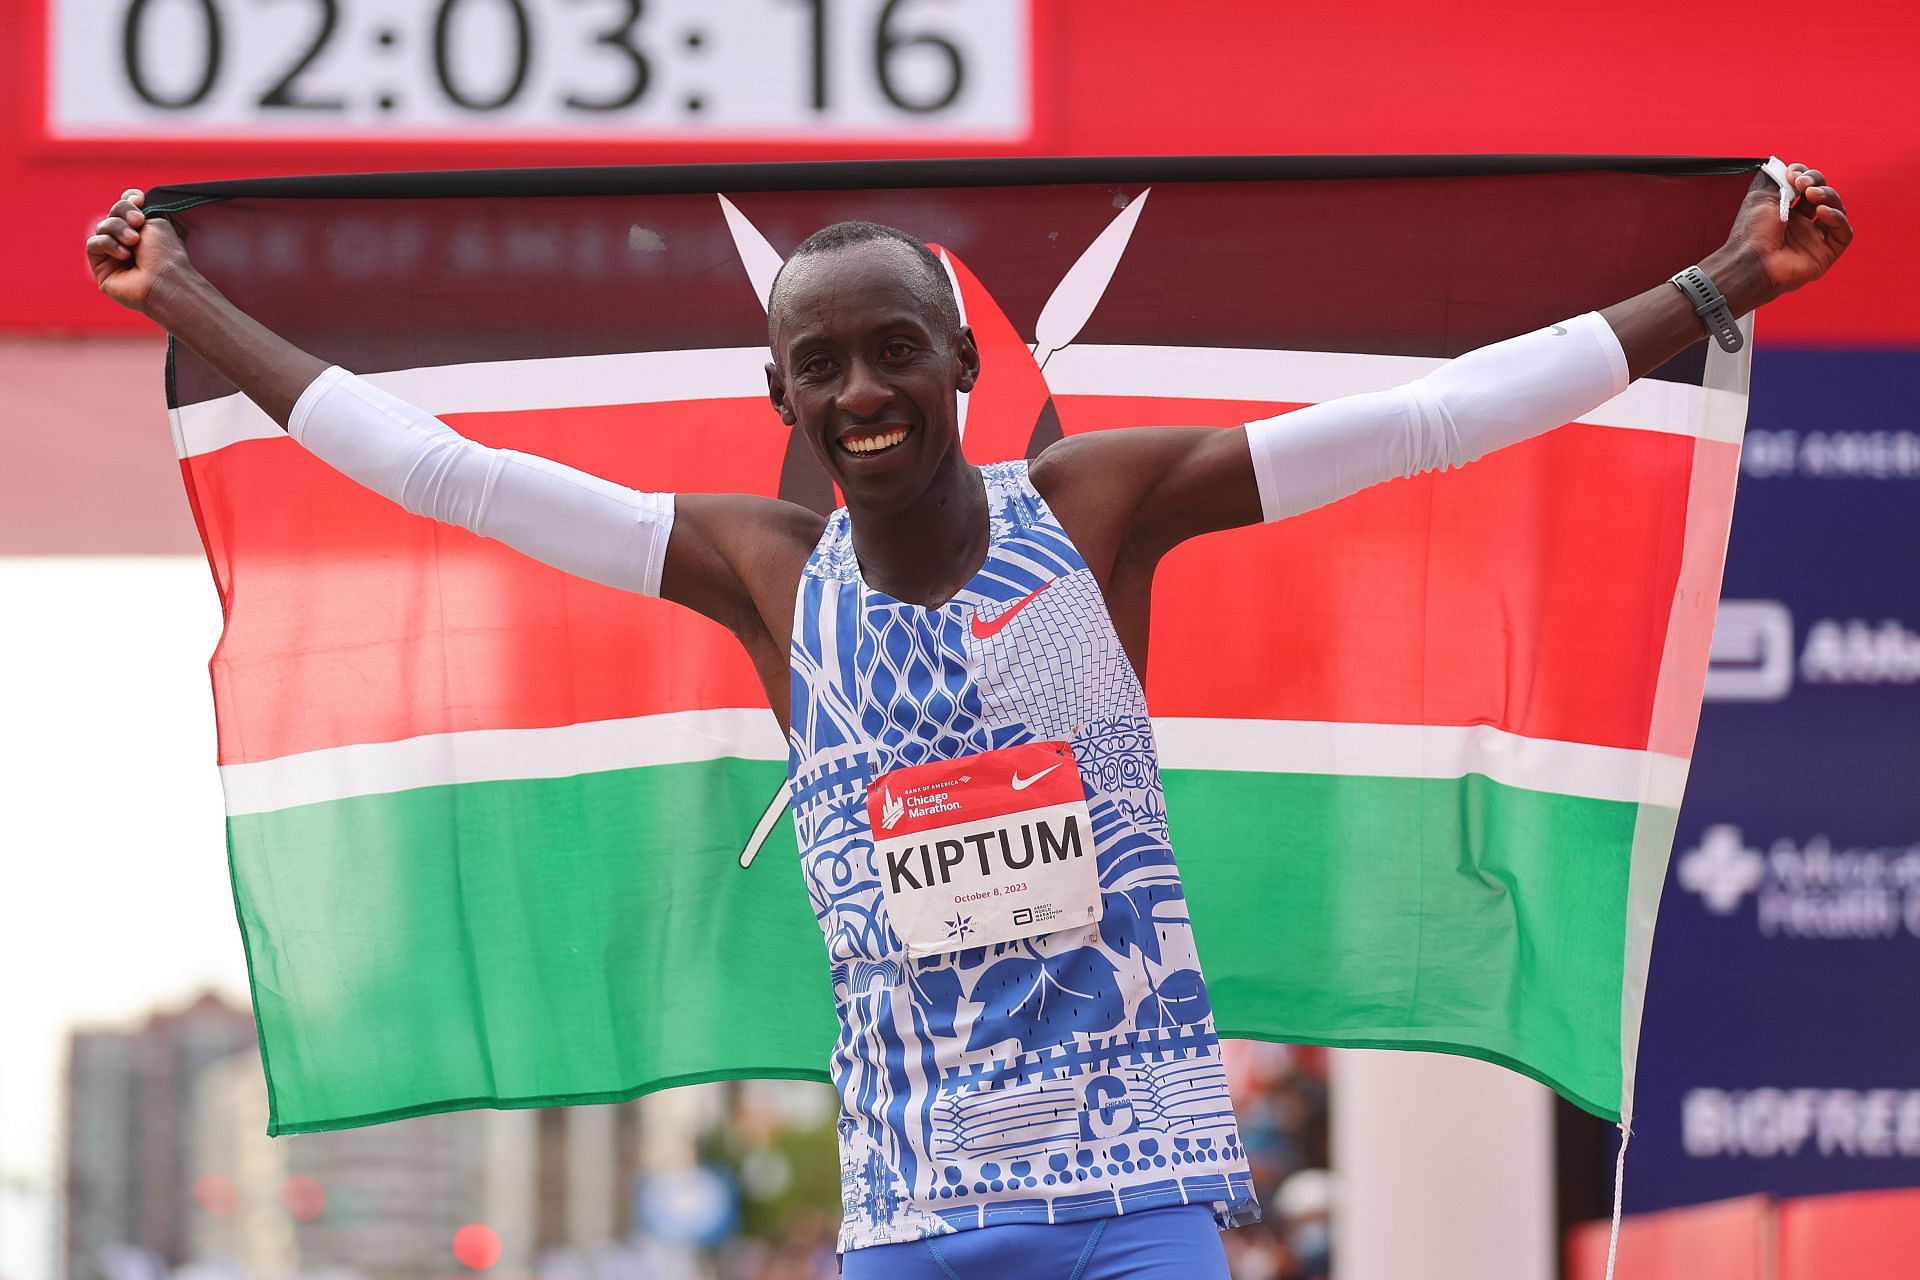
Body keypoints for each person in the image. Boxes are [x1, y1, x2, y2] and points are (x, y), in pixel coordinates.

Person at [87, 164, 1849, 1277]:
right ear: (779, 392)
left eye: (896, 350)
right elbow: (445, 474)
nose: (864, 389)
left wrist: (1714, 293)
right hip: (915, 1222)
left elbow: (1434, 421)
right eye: (823, 362)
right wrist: (184, 304)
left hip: (1144, 1203)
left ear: (960, 364)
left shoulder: (1093, 512)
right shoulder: (763, 576)